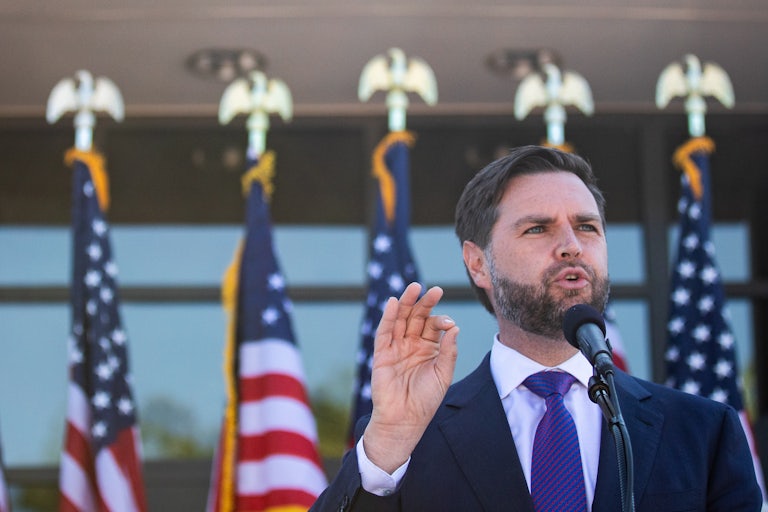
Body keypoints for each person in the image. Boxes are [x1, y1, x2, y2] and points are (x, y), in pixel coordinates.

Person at [310, 145, 762, 511]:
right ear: (477, 262)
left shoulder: (703, 433)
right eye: (538, 229)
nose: (570, 246)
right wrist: (388, 441)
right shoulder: (409, 440)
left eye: (587, 227)